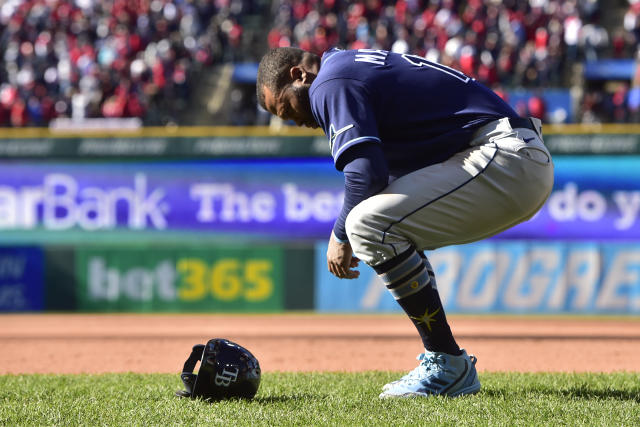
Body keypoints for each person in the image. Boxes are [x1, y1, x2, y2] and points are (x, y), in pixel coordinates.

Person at [256, 47, 554, 398]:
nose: (296, 121)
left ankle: (448, 361)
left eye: (287, 108)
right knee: (382, 224)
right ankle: (443, 358)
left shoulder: (329, 83)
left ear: (298, 75)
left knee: (365, 225)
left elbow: (365, 175)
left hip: (504, 158)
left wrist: (338, 237)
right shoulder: (346, 67)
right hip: (510, 156)